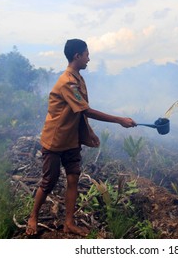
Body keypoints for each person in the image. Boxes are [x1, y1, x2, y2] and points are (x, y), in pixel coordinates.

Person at [26, 39, 136, 236]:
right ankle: (33, 216)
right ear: (77, 56)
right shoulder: (67, 82)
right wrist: (119, 120)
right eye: (86, 54)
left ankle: (69, 222)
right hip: (56, 140)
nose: (88, 58)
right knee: (49, 181)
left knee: (73, 178)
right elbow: (87, 110)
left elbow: (78, 112)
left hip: (72, 139)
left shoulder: (78, 78)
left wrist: (88, 133)